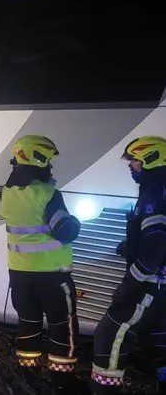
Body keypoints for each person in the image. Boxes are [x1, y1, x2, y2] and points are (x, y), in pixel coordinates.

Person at [0, 135, 82, 390]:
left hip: (20, 276)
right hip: (52, 277)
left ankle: (27, 379)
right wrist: (75, 221)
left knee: (28, 325)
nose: (51, 167)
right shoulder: (48, 194)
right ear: (38, 160)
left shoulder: (7, 192)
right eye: (48, 162)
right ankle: (62, 382)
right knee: (62, 328)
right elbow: (65, 231)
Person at [91, 136, 166, 394]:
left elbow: (156, 248)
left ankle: (104, 391)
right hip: (160, 287)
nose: (131, 167)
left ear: (150, 159)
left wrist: (129, 286)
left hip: (150, 285)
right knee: (159, 341)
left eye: (134, 161)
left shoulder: (155, 190)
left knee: (109, 334)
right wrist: (131, 246)